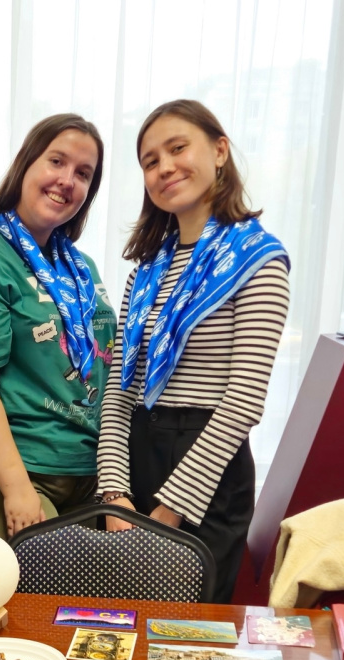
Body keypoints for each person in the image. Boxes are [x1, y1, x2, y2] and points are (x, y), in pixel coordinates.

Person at [96, 99, 290, 601]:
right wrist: (115, 495)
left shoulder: (259, 261)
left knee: (188, 632)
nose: (164, 167)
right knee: (121, 625)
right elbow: (119, 392)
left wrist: (171, 509)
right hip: (137, 460)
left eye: (177, 148)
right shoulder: (145, 272)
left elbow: (244, 400)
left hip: (208, 473)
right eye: (150, 161)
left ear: (220, 151)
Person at [0, 114, 117, 539]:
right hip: (16, 472)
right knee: (33, 581)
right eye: (56, 161)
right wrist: (16, 488)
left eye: (83, 173)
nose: (67, 180)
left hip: (85, 474)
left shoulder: (82, 268)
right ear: (25, 165)